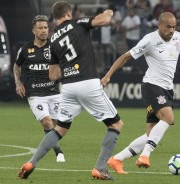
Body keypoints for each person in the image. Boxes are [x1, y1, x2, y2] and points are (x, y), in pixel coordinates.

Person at [101, 12, 180, 174]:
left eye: (174, 27)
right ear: (159, 25)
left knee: (151, 133)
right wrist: (108, 75)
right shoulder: (149, 40)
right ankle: (145, 156)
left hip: (167, 89)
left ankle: (116, 159)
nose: (171, 30)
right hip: (152, 86)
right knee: (169, 117)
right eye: (168, 27)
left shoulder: (178, 38)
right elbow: (125, 57)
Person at [18, 1, 124, 180]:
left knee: (60, 129)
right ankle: (100, 168)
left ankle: (31, 162)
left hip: (68, 87)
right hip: (88, 82)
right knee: (116, 125)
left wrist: (68, 68)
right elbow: (104, 20)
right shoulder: (78, 23)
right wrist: (109, 11)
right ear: (68, 14)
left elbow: (52, 75)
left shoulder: (53, 41)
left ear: (54, 17)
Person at [13, 15, 65, 163]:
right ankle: (58, 152)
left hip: (54, 92)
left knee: (58, 127)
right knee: (47, 123)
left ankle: (55, 146)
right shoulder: (25, 49)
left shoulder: (54, 47)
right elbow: (16, 66)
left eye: (46, 28)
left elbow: (61, 66)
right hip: (35, 94)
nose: (44, 31)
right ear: (33, 30)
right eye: (40, 28)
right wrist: (18, 83)